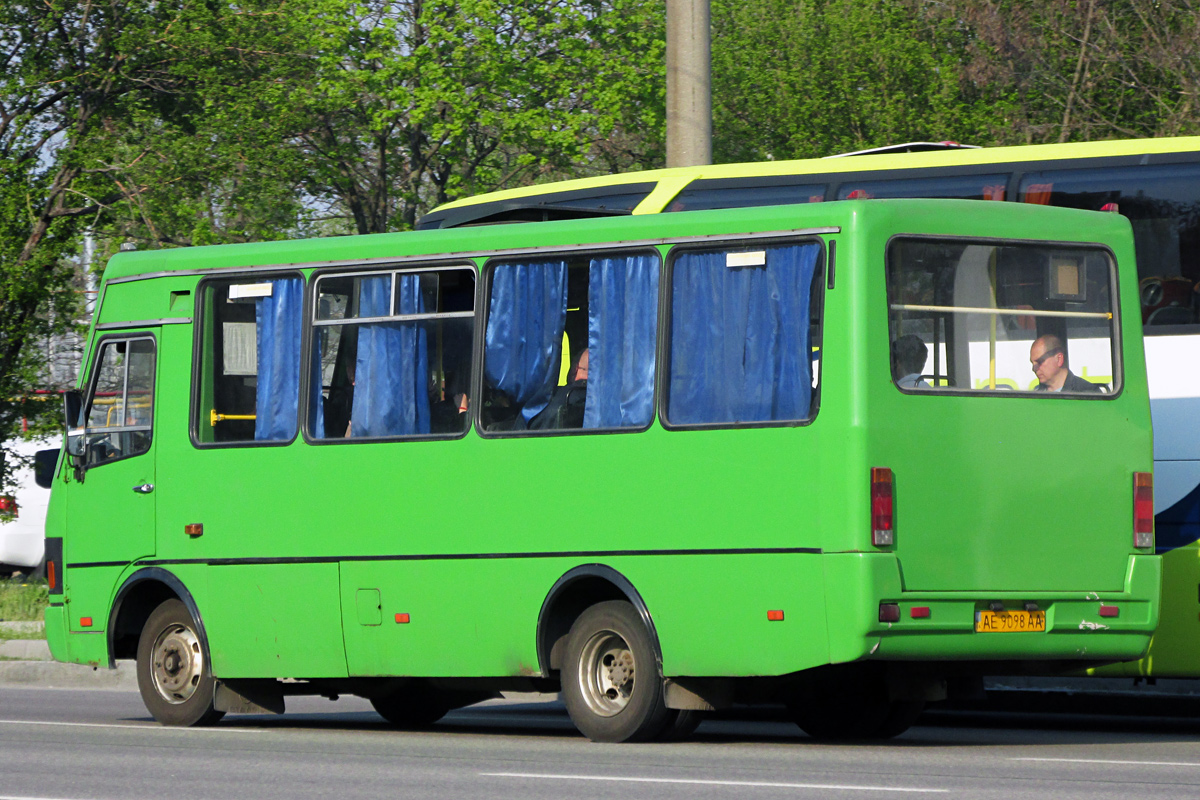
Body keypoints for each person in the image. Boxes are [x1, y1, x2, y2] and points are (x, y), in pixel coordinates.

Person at [1029, 334, 1100, 393]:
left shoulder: (1088, 393)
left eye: (1040, 361)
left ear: (1059, 359)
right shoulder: (1034, 396)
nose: (1034, 368)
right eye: (1033, 363)